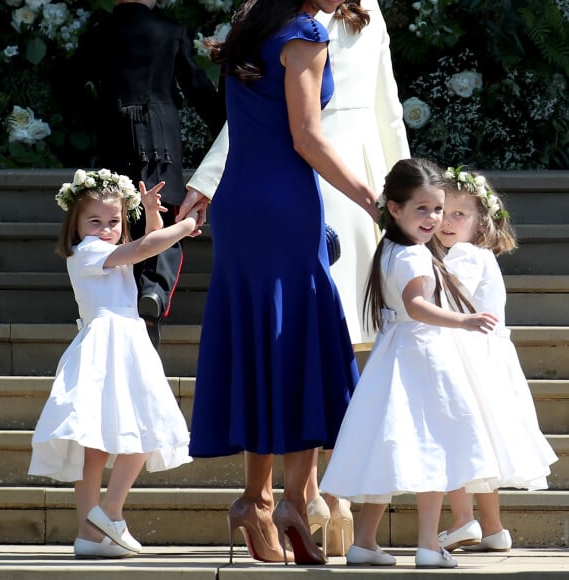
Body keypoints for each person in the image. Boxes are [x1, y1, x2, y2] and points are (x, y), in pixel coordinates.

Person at [180, 0, 410, 557]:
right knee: (303, 343)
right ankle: (287, 501)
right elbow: (307, 136)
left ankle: (257, 502)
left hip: (242, 200)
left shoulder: (252, 21)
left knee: (265, 344)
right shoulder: (304, 31)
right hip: (288, 200)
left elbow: (245, 121)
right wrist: (376, 200)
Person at [320, 158, 504, 569]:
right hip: (424, 355)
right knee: (434, 446)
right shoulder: (415, 255)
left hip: (394, 355)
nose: (433, 218)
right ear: (395, 208)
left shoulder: (389, 247)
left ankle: (365, 541)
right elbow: (416, 306)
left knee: (390, 447)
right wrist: (464, 319)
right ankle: (427, 545)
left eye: (437, 209)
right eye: (422, 208)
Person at [28, 169, 203, 559]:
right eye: (95, 221)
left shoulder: (106, 252)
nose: (106, 228)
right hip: (110, 341)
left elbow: (146, 245)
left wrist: (154, 215)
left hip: (124, 340)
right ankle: (107, 514)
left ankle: (92, 532)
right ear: (75, 224)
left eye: (114, 221)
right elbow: (144, 249)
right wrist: (186, 224)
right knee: (130, 433)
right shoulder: (88, 252)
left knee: (112, 439)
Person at [71, 0, 226, 347]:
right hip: (161, 137)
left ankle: (128, 299)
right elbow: (198, 88)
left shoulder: (99, 34)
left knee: (120, 218)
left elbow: (66, 82)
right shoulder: (171, 32)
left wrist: (97, 114)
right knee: (165, 212)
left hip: (115, 132)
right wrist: (230, 125)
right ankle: (154, 291)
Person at [432, 166, 558, 553]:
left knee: (456, 437)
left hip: (467, 357)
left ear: (480, 222)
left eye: (460, 214)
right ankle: (493, 527)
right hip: (486, 359)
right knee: (479, 444)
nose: (448, 222)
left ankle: (462, 520)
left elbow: (444, 298)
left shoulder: (466, 256)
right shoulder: (474, 254)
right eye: (442, 212)